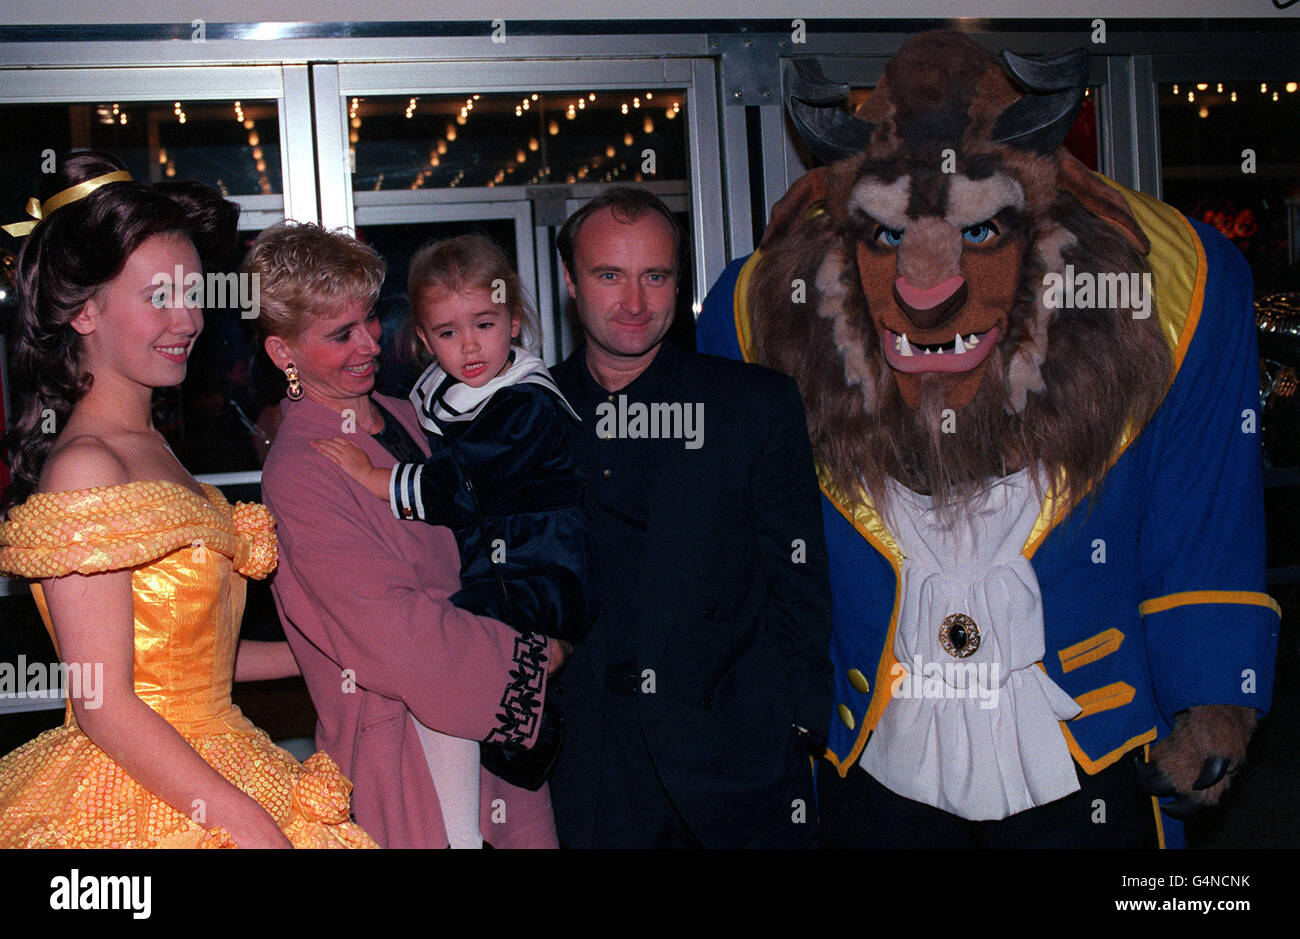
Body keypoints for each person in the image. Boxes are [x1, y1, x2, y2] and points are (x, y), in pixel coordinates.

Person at [0, 151, 376, 848]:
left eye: (193, 294)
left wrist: (329, 645)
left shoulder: (157, 447)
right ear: (84, 310)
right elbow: (103, 702)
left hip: (215, 752)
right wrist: (251, 827)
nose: (189, 319)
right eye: (160, 297)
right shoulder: (87, 463)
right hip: (141, 793)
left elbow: (189, 658)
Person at [251, 222, 568, 848]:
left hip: (488, 733)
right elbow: (393, 636)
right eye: (341, 334)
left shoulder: (409, 411)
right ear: (283, 355)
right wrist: (531, 663)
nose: (369, 342)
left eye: (370, 318)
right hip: (410, 751)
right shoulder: (298, 470)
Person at [547, 187, 834, 848]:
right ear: (571, 282)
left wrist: (795, 727)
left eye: (656, 275)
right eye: (609, 275)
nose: (635, 302)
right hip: (592, 767)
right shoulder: (531, 417)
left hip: (738, 758)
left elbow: (800, 580)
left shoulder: (751, 406)